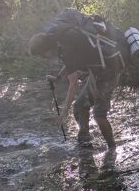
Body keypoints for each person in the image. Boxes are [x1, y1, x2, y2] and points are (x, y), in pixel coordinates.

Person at [29, 10, 127, 148]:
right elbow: (71, 66)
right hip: (98, 71)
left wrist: (64, 113)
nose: (44, 58)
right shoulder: (64, 42)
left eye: (42, 55)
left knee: (99, 114)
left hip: (107, 73)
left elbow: (73, 84)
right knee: (80, 106)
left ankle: (112, 149)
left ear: (47, 49)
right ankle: (85, 142)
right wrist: (58, 77)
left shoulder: (67, 49)